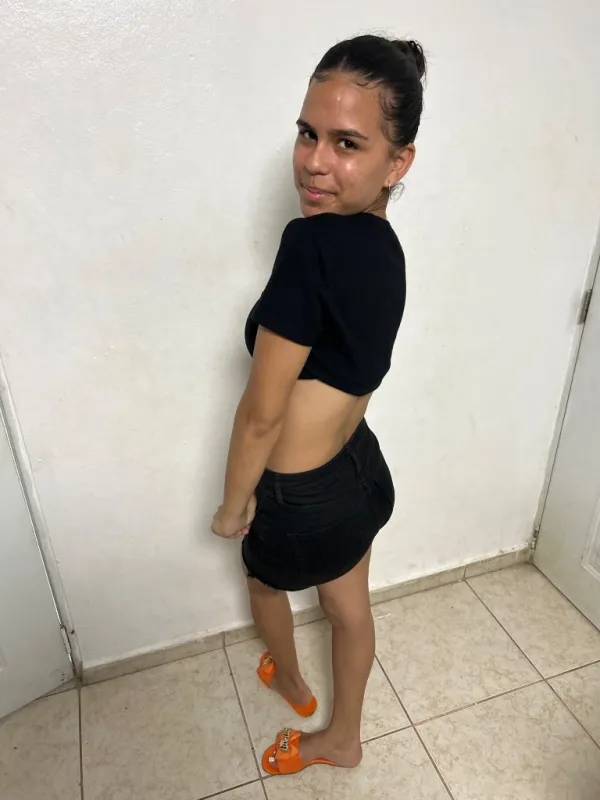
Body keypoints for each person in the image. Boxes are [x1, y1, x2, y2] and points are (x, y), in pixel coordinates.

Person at [212, 33, 426, 776]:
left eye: (347, 143)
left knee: (263, 581)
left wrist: (233, 507)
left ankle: (296, 687)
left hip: (298, 495)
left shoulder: (309, 248)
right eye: (308, 133)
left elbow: (262, 414)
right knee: (349, 608)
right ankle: (344, 738)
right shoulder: (384, 246)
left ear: (397, 162)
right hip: (358, 471)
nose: (314, 160)